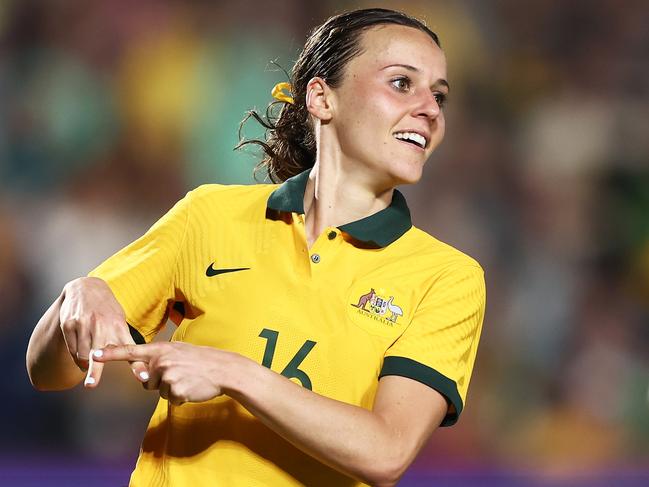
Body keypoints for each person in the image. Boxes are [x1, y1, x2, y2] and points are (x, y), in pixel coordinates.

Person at [26, 8, 485, 487]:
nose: (430, 109)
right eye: (401, 83)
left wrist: (233, 374)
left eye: (439, 95)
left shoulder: (448, 278)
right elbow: (49, 371)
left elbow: (386, 451)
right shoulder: (209, 215)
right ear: (322, 98)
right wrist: (76, 297)